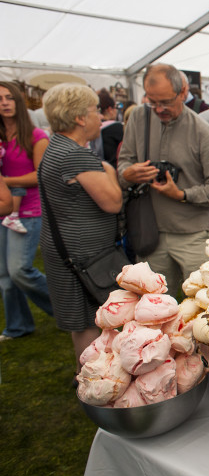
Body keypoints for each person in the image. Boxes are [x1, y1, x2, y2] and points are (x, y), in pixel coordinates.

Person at [117, 63, 209, 295]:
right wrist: (129, 173)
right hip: (149, 233)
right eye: (152, 101)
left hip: (193, 235)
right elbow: (122, 165)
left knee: (200, 306)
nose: (158, 109)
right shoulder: (139, 118)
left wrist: (181, 195)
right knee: (152, 306)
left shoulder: (202, 130)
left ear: (182, 92)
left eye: (166, 102)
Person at [38, 83, 122, 365]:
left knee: (82, 322)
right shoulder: (75, 155)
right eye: (95, 110)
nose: (100, 116)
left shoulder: (55, 147)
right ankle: (93, 381)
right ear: (79, 118)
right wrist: (108, 168)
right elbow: (112, 202)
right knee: (90, 322)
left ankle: (86, 377)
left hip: (66, 251)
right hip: (83, 257)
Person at [0, 81, 54, 341]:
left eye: (10, 97)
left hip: (29, 211)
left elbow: (39, 176)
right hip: (2, 209)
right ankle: (18, 326)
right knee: (5, 276)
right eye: (0, 98)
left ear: (19, 102)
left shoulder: (36, 136)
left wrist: (5, 181)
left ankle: (66, 310)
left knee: (20, 270)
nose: (5, 102)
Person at [97, 89, 124, 167]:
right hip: (113, 168)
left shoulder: (93, 128)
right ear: (110, 109)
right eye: (115, 108)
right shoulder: (117, 127)